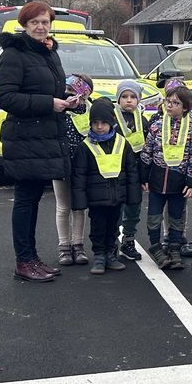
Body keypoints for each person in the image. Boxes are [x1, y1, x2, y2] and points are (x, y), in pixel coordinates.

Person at [0, 1, 78, 283]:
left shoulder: (49, 52)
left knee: (32, 199)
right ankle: (24, 261)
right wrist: (48, 103)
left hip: (44, 137)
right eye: (35, 23)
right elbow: (5, 97)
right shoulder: (14, 53)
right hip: (24, 138)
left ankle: (32, 258)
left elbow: (50, 89)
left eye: (45, 22)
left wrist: (68, 100)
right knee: (25, 200)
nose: (41, 27)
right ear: (25, 25)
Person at [71, 97, 140, 275]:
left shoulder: (122, 143)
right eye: (95, 123)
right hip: (96, 200)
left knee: (113, 228)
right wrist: (79, 201)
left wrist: (133, 196)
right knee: (98, 228)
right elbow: (79, 176)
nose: (99, 127)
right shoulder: (85, 147)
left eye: (103, 123)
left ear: (111, 122)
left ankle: (111, 254)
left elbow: (131, 171)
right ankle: (99, 256)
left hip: (117, 197)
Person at [140, 83, 192, 272]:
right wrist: (143, 176)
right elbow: (147, 152)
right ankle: (156, 247)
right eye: (167, 101)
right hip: (157, 181)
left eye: (175, 103)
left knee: (176, 217)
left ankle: (174, 248)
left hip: (179, 183)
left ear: (185, 107)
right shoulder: (156, 126)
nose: (169, 105)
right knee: (154, 217)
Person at [53, 72, 94, 265]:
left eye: (72, 90)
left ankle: (78, 245)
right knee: (63, 207)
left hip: (81, 165)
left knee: (79, 206)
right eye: (66, 89)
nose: (67, 94)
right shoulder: (57, 109)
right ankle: (64, 246)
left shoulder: (90, 110)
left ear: (84, 94)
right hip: (60, 163)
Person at [115, 79, 148, 263]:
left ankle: (128, 241)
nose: (129, 100)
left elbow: (147, 150)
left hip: (135, 173)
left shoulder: (143, 121)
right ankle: (111, 242)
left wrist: (145, 176)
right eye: (124, 96)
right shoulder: (112, 120)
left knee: (133, 208)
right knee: (115, 209)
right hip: (116, 173)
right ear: (118, 99)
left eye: (133, 97)